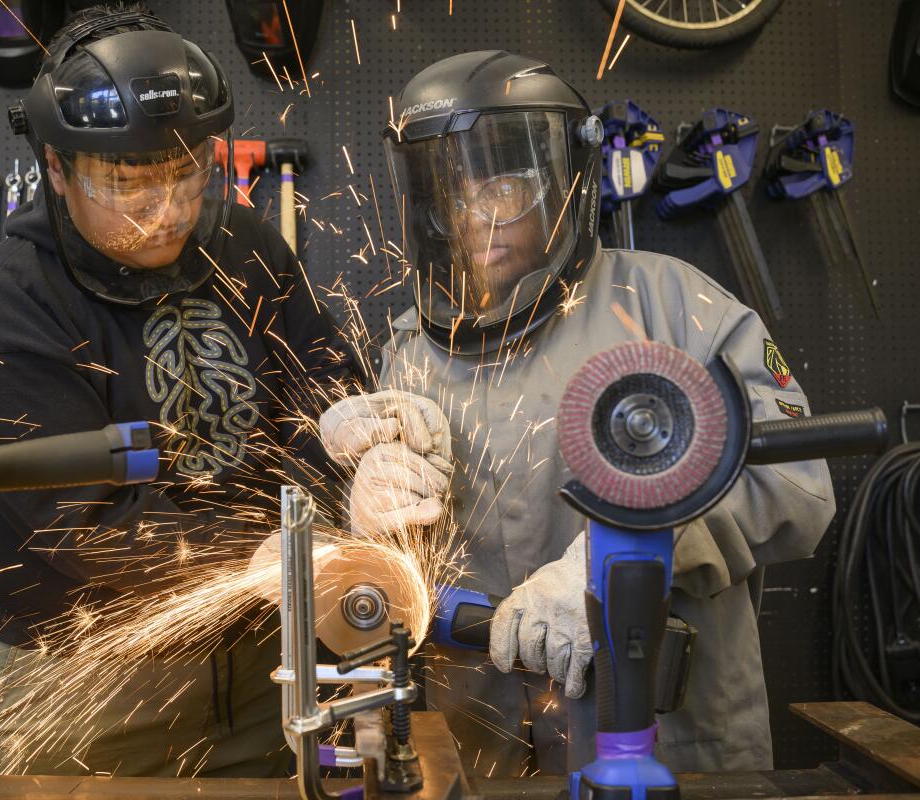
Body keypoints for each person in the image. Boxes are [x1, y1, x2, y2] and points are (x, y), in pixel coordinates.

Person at [319, 51, 835, 777]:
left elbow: (797, 483)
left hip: (663, 738)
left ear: (564, 184)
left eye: (505, 186)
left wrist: (628, 549)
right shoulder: (411, 350)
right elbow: (396, 577)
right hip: (484, 745)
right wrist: (365, 511)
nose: (481, 218)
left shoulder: (677, 308)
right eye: (456, 192)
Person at [0, 5, 360, 777]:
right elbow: (89, 524)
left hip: (263, 659)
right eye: (130, 188)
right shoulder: (7, 305)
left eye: (184, 174)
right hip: (86, 683)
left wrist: (337, 468)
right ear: (59, 168)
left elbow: (323, 381)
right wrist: (268, 553)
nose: (167, 214)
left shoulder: (244, 242)